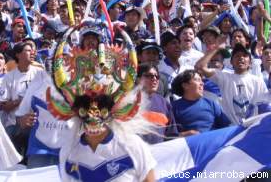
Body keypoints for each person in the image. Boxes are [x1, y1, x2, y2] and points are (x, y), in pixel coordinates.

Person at [47, 25, 156, 181]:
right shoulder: (69, 151)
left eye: (101, 110)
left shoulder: (132, 146)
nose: (93, 116)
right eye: (85, 109)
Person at [195, 40, 269, 124]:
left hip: (252, 129)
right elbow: (200, 67)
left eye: (244, 56)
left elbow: (264, 107)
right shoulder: (224, 77)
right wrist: (216, 48)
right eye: (237, 56)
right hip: (230, 128)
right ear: (231, 62)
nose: (241, 58)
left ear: (250, 62)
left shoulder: (258, 81)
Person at [171, 70, 230, 135]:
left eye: (201, 80)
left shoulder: (211, 104)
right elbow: (168, 135)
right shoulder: (173, 107)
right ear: (185, 85)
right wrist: (184, 134)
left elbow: (226, 127)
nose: (202, 83)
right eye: (197, 80)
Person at [139, 64, 178, 144]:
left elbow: (171, 135)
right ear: (137, 79)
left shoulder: (164, 103)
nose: (154, 79)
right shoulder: (127, 101)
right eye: (149, 76)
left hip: (159, 154)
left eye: (157, 76)